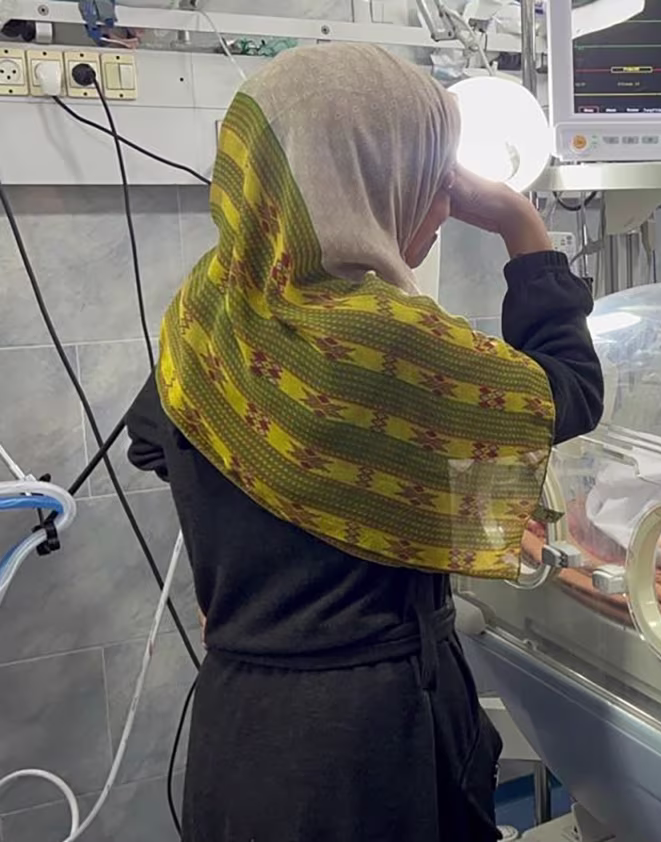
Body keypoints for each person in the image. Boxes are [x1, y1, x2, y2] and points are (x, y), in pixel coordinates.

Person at [123, 44, 603, 842]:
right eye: (435, 182)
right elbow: (572, 393)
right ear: (367, 175)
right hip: (372, 745)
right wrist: (524, 227)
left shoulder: (207, 314)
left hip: (240, 720)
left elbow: (154, 438)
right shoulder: (382, 341)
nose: (444, 206)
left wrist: (245, 568)